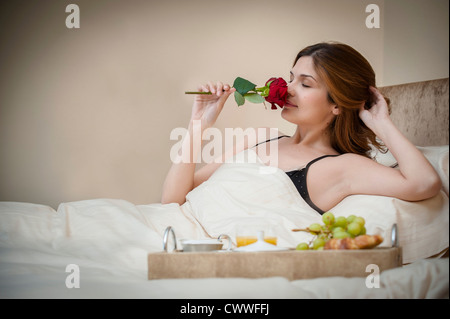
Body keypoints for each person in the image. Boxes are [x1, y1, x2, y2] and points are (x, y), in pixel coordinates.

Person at [161, 42, 441, 215]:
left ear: (337, 105)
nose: (289, 89)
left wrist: (381, 122)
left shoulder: (341, 167)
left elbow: (424, 183)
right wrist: (199, 122)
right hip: (174, 228)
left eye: (305, 84)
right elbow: (173, 200)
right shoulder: (259, 138)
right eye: (291, 78)